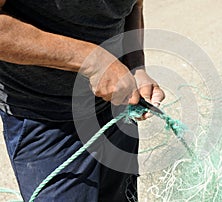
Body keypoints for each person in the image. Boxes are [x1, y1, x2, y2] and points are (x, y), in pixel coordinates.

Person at [0, 0, 165, 201]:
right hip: (45, 119)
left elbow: (134, 6)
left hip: (116, 110)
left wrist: (135, 66)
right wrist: (92, 60)